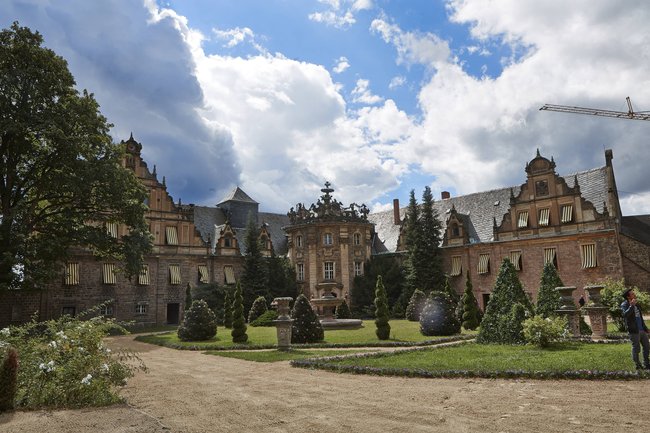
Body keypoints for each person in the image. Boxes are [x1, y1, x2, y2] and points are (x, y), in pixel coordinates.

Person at [621, 288, 650, 370]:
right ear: (628, 297)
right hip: (633, 330)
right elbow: (625, 315)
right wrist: (631, 306)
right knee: (636, 348)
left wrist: (645, 328)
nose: (634, 295)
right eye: (632, 294)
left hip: (642, 330)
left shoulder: (636, 304)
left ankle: (646, 364)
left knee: (647, 347)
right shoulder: (624, 304)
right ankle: (638, 365)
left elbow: (640, 318)